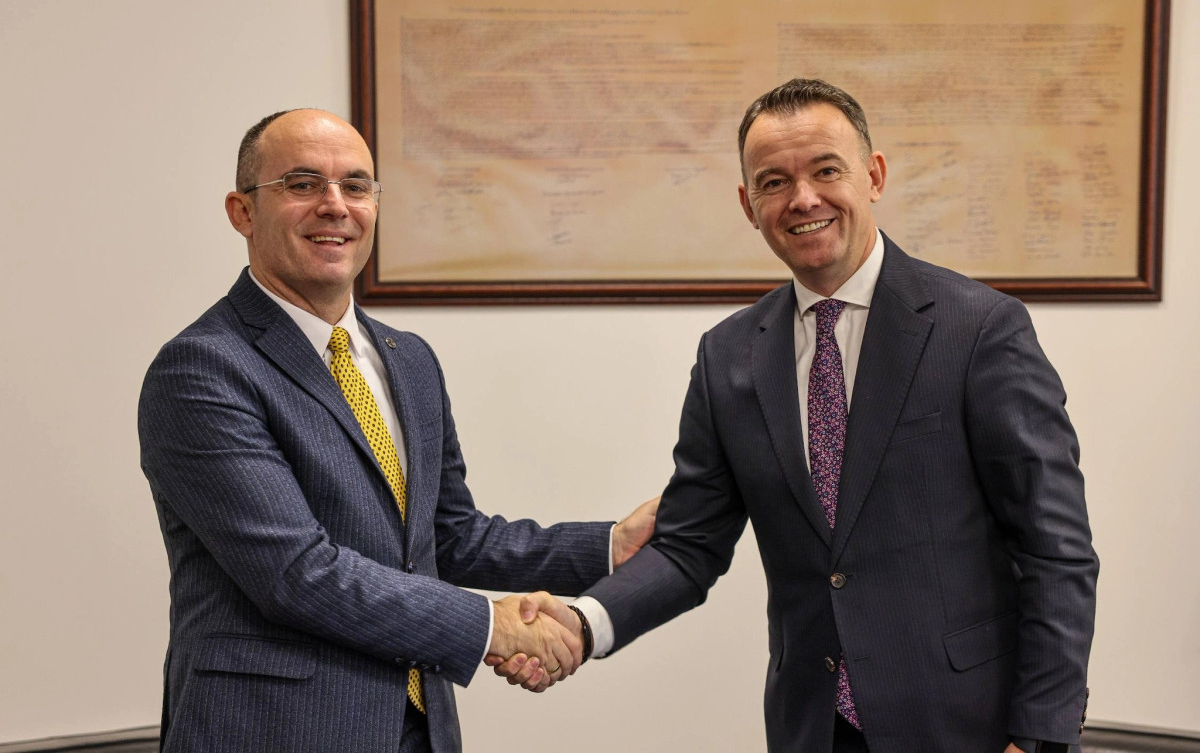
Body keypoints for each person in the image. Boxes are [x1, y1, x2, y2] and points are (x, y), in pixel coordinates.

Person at [498, 79, 1099, 753]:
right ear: (748, 205)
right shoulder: (729, 356)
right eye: (774, 182)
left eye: (826, 170)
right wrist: (583, 623)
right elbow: (689, 545)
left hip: (968, 727)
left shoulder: (979, 329)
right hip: (812, 727)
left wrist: (1040, 736)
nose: (803, 198)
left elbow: (1056, 550)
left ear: (874, 176)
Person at [138, 108, 657, 753]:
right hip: (271, 730)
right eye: (302, 184)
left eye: (356, 186)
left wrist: (610, 546)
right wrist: (491, 625)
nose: (335, 205)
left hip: (418, 728)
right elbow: (295, 574)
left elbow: (447, 536)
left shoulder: (408, 359)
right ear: (242, 211)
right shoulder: (202, 368)